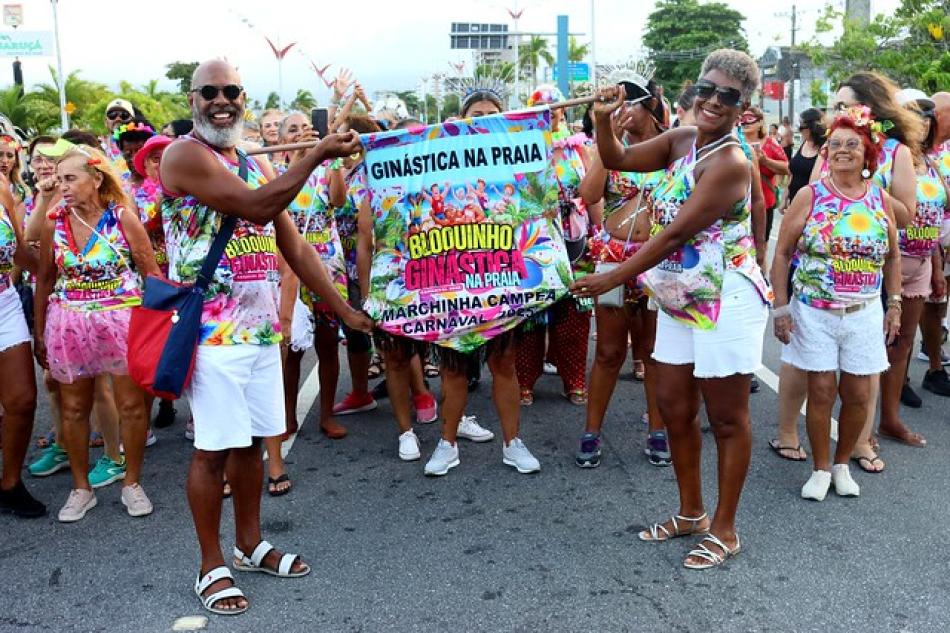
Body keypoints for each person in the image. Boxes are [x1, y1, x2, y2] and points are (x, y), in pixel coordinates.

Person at [160, 60, 370, 616]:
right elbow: (257, 207)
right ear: (193, 97)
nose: (221, 100)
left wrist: (344, 309)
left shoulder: (247, 160)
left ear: (243, 97)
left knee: (252, 443)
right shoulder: (183, 155)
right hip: (212, 336)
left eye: (231, 91)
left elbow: (294, 248)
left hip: (258, 334)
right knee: (212, 452)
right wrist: (317, 154)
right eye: (210, 92)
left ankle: (249, 544)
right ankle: (210, 566)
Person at [573, 49, 771, 569]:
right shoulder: (683, 140)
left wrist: (612, 277)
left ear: (743, 106)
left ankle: (725, 529)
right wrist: (600, 118)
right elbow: (617, 159)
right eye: (707, 89)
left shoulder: (731, 163)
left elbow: (679, 230)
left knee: (727, 417)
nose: (713, 101)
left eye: (728, 96)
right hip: (680, 294)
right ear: (695, 87)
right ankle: (691, 512)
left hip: (725, 295)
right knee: (674, 405)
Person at [774, 71, 923, 473]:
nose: (836, 113)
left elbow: (907, 215)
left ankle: (859, 440)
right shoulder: (833, 145)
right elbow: (814, 201)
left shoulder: (895, 153)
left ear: (871, 108)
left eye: (844, 105)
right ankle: (788, 431)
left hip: (869, 268)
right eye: (835, 106)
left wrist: (866, 189)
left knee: (863, 366)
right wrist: (842, 174)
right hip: (818, 269)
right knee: (802, 360)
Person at [33, 145, 159, 522]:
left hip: (122, 322)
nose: (63, 187)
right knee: (73, 408)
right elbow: (44, 280)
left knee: (131, 407)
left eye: (70, 179)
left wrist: (158, 330)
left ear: (96, 179)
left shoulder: (123, 218)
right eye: (59, 181)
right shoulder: (53, 222)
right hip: (69, 323)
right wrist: (40, 333)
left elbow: (150, 272)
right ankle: (80, 488)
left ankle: (132, 482)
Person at [420, 77, 537, 477]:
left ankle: (512, 443)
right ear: (461, 119)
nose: (484, 121)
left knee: (504, 364)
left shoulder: (516, 160)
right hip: (452, 280)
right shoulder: (438, 158)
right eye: (477, 115)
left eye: (492, 116)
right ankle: (447, 443)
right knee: (454, 368)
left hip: (502, 279)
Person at [577, 70, 671, 468]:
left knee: (654, 353)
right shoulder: (611, 147)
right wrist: (606, 138)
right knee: (610, 352)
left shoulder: (673, 147)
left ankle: (658, 430)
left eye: (627, 101)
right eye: (614, 102)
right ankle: (591, 432)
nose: (621, 109)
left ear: (648, 104)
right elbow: (588, 194)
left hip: (660, 261)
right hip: (613, 260)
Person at [516, 84, 592, 408]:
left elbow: (591, 192)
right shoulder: (519, 148)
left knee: (575, 310)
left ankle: (574, 379)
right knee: (531, 312)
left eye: (556, 106)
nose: (551, 111)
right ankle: (523, 382)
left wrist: (598, 234)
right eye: (542, 106)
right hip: (533, 239)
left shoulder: (578, 149)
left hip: (574, 235)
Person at [891, 89, 950, 400]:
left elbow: (938, 218)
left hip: (924, 259)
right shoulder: (886, 156)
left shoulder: (931, 161)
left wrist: (937, 267)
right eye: (916, 115)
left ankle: (896, 394)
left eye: (928, 116)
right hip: (891, 261)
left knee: (905, 338)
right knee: (883, 336)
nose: (924, 122)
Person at [0, 146, 45, 518]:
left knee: (22, 399)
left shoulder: (1, 186)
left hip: (4, 302)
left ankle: (10, 483)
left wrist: (54, 269)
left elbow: (16, 249)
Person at [916, 92, 950, 395]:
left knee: (940, 301)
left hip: (941, 238)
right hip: (926, 242)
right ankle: (933, 362)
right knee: (933, 300)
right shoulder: (918, 154)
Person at [740, 107, 789, 243]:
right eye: (742, 119)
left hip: (764, 202)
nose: (745, 123)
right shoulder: (736, 141)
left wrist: (765, 161)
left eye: (750, 119)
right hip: (739, 203)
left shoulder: (770, 143)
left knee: (761, 244)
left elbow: (787, 168)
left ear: (760, 123)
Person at [101, 98, 135, 180]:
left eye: (124, 115)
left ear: (133, 120)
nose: (118, 119)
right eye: (112, 115)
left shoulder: (143, 145)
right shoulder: (98, 146)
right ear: (106, 121)